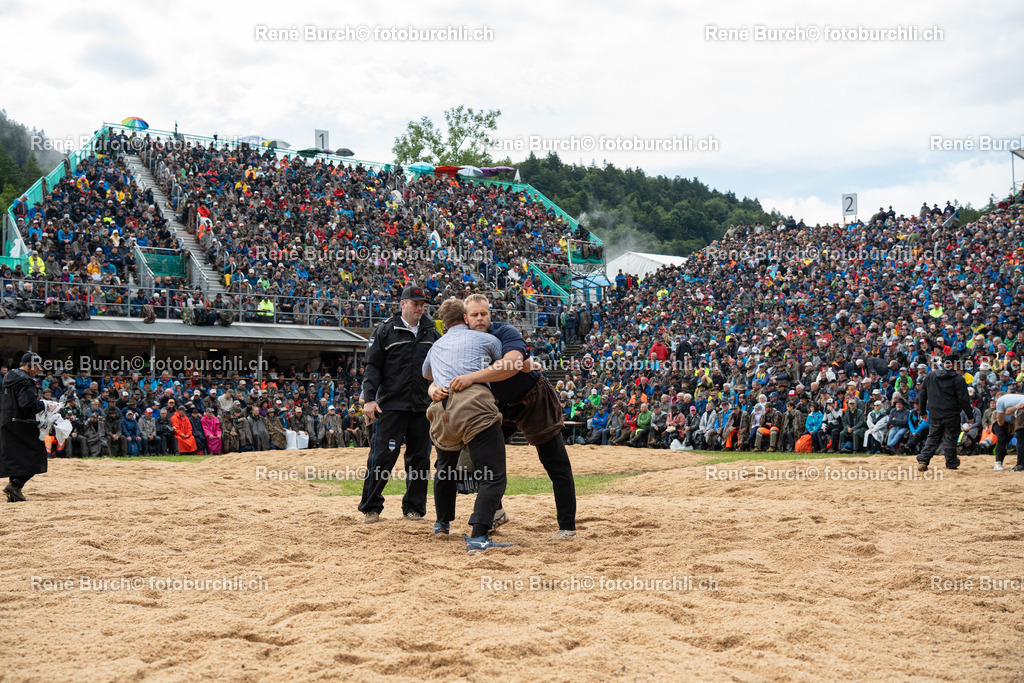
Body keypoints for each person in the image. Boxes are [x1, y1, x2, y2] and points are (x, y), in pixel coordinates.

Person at [447, 293, 577, 539]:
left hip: (533, 396)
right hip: (498, 405)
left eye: (484, 313)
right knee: (476, 459)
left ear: (490, 313)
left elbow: (514, 364)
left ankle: (567, 528)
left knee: (555, 462)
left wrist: (472, 377)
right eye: (474, 314)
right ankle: (495, 513)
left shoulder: (505, 332)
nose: (479, 318)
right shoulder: (461, 340)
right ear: (465, 317)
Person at [422, 298, 512, 555]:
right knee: (492, 475)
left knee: (445, 469)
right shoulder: (488, 340)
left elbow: (427, 374)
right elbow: (500, 367)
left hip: (442, 411)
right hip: (474, 409)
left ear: (443, 323)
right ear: (464, 318)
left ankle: (442, 524)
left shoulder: (436, 346)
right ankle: (479, 535)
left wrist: (437, 383)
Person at [358, 286, 440, 523]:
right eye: (415, 303)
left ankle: (413, 508)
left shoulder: (431, 332)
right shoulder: (385, 330)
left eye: (422, 304)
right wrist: (369, 398)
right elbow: (372, 367)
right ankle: (371, 507)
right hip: (390, 406)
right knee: (382, 457)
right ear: (402, 304)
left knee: (420, 459)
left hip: (423, 407)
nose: (419, 308)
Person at [0, 353, 46, 502]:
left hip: (7, 422)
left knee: (15, 458)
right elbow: (27, 405)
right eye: (37, 367)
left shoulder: (9, 377)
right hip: (22, 423)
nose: (38, 370)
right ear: (30, 365)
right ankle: (15, 485)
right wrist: (45, 405)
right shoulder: (25, 381)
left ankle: (13, 494)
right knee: (36, 455)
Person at [917, 356, 974, 472]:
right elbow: (964, 400)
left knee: (933, 437)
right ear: (954, 364)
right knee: (950, 438)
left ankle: (923, 460)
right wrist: (970, 416)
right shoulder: (958, 379)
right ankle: (951, 462)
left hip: (934, 413)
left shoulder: (930, 376)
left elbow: (922, 395)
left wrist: (922, 412)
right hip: (951, 413)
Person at [992, 392, 1024, 471]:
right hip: (1000, 422)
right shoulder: (1015, 399)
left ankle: (1020, 465)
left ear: (999, 397)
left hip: (1014, 420)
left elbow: (1007, 412)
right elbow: (1000, 421)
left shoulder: (1001, 400)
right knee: (1002, 438)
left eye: (995, 401)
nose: (996, 404)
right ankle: (998, 462)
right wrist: (1016, 406)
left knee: (1019, 440)